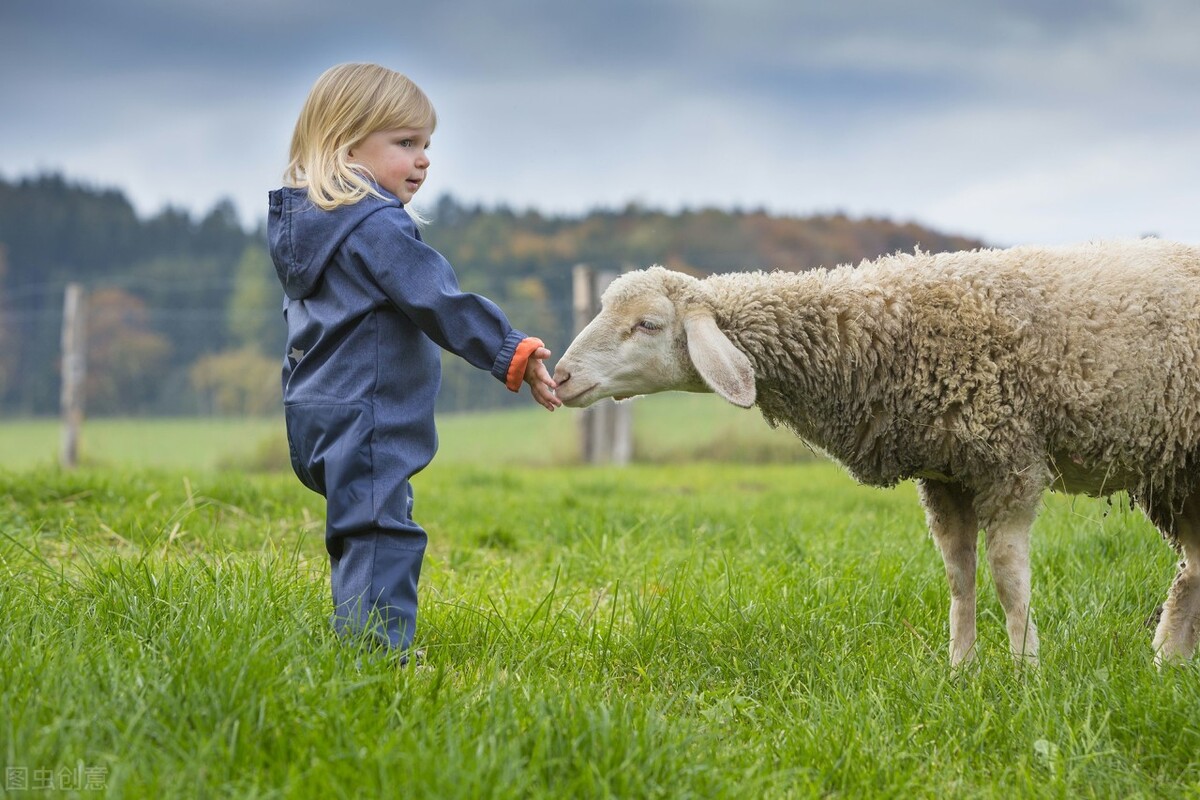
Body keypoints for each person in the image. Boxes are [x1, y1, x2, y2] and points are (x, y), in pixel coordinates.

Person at [267, 63, 561, 658]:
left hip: (317, 407)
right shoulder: (377, 227)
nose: (423, 159)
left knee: (361, 527)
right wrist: (511, 348)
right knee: (381, 531)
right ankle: (377, 653)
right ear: (346, 143)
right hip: (367, 408)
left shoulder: (311, 229)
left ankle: (358, 634)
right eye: (405, 144)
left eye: (426, 145)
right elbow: (438, 299)